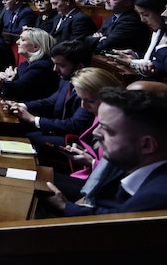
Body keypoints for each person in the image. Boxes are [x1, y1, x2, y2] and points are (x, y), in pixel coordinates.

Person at [46, 87, 167, 216]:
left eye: (106, 129)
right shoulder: (130, 158)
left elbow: (115, 222)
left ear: (146, 145)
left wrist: (65, 207)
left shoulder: (156, 197)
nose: (95, 132)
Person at [0, 27, 60, 101]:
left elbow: (11, 92)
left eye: (22, 40)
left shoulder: (41, 67)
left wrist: (8, 80)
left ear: (36, 46)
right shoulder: (25, 64)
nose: (17, 42)